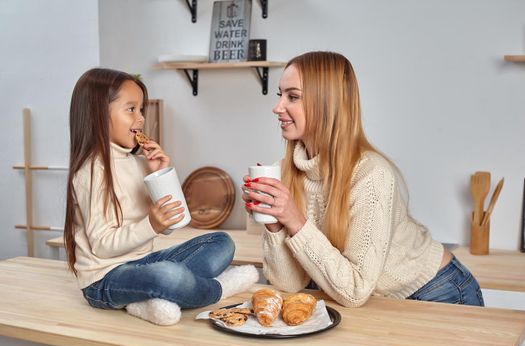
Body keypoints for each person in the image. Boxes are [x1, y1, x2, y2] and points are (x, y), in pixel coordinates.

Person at [242, 51, 484, 307]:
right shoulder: (286, 171)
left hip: (436, 291)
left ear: (327, 103)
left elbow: (355, 291)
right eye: (280, 95)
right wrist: (273, 222)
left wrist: (294, 219)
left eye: (293, 97)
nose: (277, 107)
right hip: (377, 301)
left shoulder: (371, 175)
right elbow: (289, 285)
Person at [64, 68, 258, 325]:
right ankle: (218, 289)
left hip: (143, 262)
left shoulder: (137, 163)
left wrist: (162, 175)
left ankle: (147, 301)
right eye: (131, 109)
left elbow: (174, 223)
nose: (141, 118)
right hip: (105, 278)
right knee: (169, 276)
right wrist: (151, 225)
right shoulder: (92, 170)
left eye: (141, 109)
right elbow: (102, 245)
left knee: (222, 242)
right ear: (98, 113)